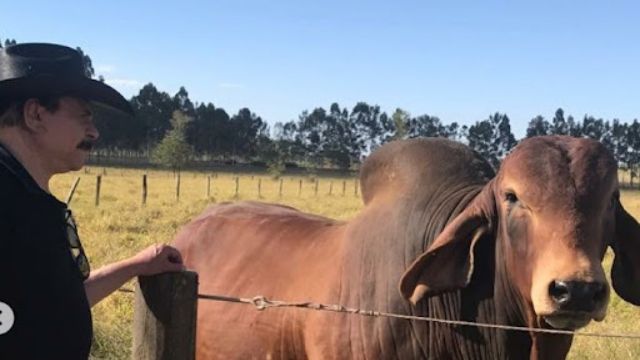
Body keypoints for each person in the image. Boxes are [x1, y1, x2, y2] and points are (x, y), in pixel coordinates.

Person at [0, 43, 185, 359]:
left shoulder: (28, 198)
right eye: (83, 117)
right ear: (35, 114)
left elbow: (60, 302)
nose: (94, 132)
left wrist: (136, 265)